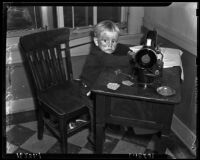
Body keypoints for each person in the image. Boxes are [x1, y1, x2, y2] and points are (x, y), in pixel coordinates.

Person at [78, 20, 135, 145]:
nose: (110, 45)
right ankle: (95, 137)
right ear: (96, 41)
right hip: (88, 90)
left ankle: (102, 129)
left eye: (113, 41)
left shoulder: (107, 47)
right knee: (97, 115)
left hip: (98, 86)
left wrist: (128, 50)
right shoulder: (98, 54)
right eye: (105, 40)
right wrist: (130, 57)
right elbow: (113, 61)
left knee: (105, 109)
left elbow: (120, 47)